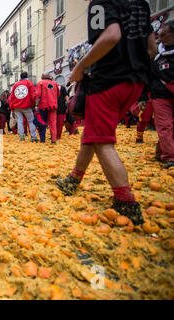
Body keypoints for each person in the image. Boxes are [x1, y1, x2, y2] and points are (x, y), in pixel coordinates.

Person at [57, 0, 157, 226]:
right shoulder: (141, 3)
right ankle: (74, 179)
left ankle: (125, 201)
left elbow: (111, 35)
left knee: (102, 141)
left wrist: (80, 68)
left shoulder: (100, 3)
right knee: (93, 133)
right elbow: (151, 49)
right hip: (135, 81)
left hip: (109, 79)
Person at [145, 21, 174, 168]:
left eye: (163, 34)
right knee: (165, 125)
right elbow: (148, 75)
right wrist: (143, 96)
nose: (159, 37)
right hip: (160, 94)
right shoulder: (156, 55)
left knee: (170, 126)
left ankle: (160, 152)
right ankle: (170, 158)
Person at [8, 72, 38, 142]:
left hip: (17, 106)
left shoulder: (16, 85)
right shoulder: (29, 83)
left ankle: (21, 137)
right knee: (31, 121)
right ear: (27, 76)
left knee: (20, 122)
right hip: (27, 105)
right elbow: (33, 95)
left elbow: (11, 97)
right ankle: (33, 137)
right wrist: (33, 104)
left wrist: (12, 107)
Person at [35, 73, 60, 144]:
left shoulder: (40, 83)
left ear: (42, 77)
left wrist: (36, 105)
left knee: (42, 123)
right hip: (53, 105)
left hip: (43, 106)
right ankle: (53, 140)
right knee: (53, 123)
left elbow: (38, 96)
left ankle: (42, 139)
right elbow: (58, 94)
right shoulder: (55, 84)